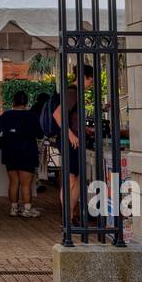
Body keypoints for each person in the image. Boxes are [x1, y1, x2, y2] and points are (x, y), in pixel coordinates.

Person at [55, 65, 95, 226]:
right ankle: (68, 217)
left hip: (73, 138)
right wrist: (71, 134)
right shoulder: (72, 92)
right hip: (71, 140)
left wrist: (83, 129)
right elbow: (57, 115)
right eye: (90, 80)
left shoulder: (73, 92)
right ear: (84, 77)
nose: (91, 84)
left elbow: (70, 118)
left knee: (76, 178)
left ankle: (69, 215)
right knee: (71, 179)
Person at [0, 90, 42, 217]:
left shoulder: (5, 115)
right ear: (26, 102)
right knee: (26, 184)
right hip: (27, 152)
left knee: (13, 181)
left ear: (13, 101)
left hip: (9, 152)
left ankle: (14, 208)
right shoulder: (31, 116)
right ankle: (27, 209)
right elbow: (39, 134)